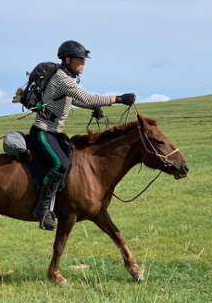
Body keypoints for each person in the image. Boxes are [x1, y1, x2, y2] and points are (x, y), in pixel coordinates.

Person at [30, 40, 136, 230]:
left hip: (55, 132)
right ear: (67, 59)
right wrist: (119, 99)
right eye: (80, 60)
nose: (83, 64)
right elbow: (86, 98)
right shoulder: (62, 79)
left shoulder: (67, 79)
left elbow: (77, 101)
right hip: (42, 132)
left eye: (84, 60)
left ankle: (63, 201)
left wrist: (95, 107)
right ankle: (43, 209)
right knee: (60, 164)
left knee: (73, 160)